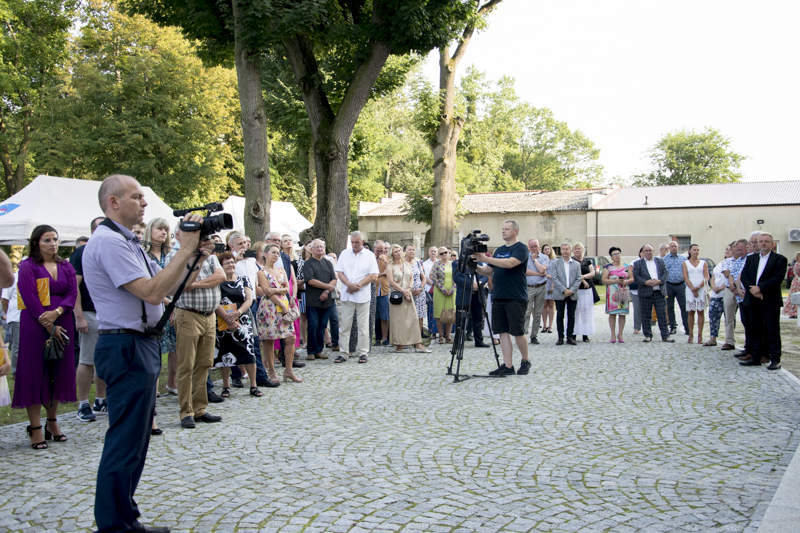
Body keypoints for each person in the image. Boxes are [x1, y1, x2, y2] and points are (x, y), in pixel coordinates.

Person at [84, 174, 212, 533]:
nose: (144, 203)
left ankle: (125, 519)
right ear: (113, 202)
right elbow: (153, 293)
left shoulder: (128, 242)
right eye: (136, 197)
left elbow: (168, 282)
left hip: (138, 343)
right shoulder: (109, 242)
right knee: (125, 440)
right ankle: (113, 526)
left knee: (136, 440)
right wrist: (185, 248)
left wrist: (196, 258)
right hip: (125, 345)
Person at [12, 224, 77, 449]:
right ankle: (35, 427)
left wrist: (58, 312)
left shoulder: (65, 266)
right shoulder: (28, 266)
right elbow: (29, 298)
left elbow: (72, 293)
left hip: (63, 320)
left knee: (57, 372)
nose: (53, 244)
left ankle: (52, 422)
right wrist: (49, 325)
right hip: (34, 324)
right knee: (34, 373)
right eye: (47, 240)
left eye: (55, 239)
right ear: (36, 243)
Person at [166, 227, 225, 428]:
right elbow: (182, 283)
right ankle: (186, 412)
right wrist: (192, 280)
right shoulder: (175, 255)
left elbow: (220, 277)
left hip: (209, 316)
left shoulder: (209, 255)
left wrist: (197, 284)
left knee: (204, 363)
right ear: (178, 236)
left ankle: (200, 408)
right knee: (186, 365)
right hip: (188, 314)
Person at [474, 220, 531, 375]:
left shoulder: (521, 248)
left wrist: (485, 258)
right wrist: (476, 267)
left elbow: (510, 263)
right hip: (498, 295)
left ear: (515, 231)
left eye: (507, 229)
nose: (503, 231)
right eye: (502, 229)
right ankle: (508, 365)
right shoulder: (499, 250)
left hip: (515, 296)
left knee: (518, 331)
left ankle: (525, 360)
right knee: (503, 332)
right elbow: (488, 270)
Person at [71, 216, 108, 423]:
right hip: (89, 312)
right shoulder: (81, 253)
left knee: (103, 359)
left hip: (108, 314)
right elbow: (73, 286)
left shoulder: (109, 250)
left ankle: (100, 400)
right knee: (87, 359)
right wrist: (79, 316)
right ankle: (83, 403)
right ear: (94, 232)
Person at [213, 252, 263, 397]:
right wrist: (228, 318)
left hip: (242, 319)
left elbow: (249, 299)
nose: (231, 265)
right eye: (227, 263)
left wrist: (238, 314)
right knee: (224, 353)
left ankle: (253, 385)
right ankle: (226, 386)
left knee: (249, 352)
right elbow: (215, 302)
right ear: (221, 266)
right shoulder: (217, 281)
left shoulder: (243, 279)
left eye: (233, 262)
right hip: (223, 319)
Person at [228, 232, 273, 388]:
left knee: (254, 342)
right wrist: (235, 259)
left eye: (246, 243)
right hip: (235, 304)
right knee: (233, 341)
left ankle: (260, 375)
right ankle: (235, 376)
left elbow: (254, 285)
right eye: (240, 244)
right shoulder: (229, 259)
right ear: (231, 245)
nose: (244, 246)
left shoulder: (252, 261)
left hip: (252, 302)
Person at [739, 232, 788, 370]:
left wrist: (760, 288)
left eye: (767, 241)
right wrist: (753, 290)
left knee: (772, 330)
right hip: (753, 300)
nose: (764, 243)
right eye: (761, 241)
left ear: (773, 244)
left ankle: (775, 359)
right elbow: (745, 276)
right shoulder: (751, 259)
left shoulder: (780, 259)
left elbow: (778, 278)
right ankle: (756, 357)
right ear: (758, 243)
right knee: (755, 329)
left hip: (770, 299)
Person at [143, 217, 179, 395]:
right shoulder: (143, 253)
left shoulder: (170, 254)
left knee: (174, 347)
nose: (164, 233)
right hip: (154, 304)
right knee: (155, 348)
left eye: (166, 230)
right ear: (150, 231)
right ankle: (153, 386)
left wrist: (173, 305)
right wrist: (168, 303)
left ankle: (172, 383)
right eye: (160, 229)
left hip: (172, 304)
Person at [257, 243, 302, 381]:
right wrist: (280, 300)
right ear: (265, 254)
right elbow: (266, 291)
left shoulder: (281, 270)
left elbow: (286, 287)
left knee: (291, 337)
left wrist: (276, 290)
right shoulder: (261, 272)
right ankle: (271, 371)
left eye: (278, 253)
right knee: (269, 340)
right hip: (269, 308)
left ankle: (288, 370)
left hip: (284, 306)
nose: (276, 255)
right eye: (273, 252)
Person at [334, 231, 379, 363]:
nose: (354, 245)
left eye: (357, 242)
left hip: (362, 294)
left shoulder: (369, 255)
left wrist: (358, 285)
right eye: (352, 242)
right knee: (345, 325)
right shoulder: (344, 253)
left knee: (363, 326)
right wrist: (349, 284)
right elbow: (339, 272)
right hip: (347, 293)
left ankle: (363, 352)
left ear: (362, 242)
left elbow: (373, 275)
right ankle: (343, 352)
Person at [385, 244, 429, 353]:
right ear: (392, 254)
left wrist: (408, 289)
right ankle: (399, 345)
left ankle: (418, 344)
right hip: (397, 296)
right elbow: (391, 282)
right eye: (396, 251)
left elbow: (411, 278)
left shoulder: (406, 264)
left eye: (400, 250)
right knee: (398, 320)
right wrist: (403, 290)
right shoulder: (390, 266)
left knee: (413, 318)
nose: (399, 252)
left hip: (408, 295)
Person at [633, 245, 674, 343]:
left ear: (653, 251)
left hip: (658, 291)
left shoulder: (660, 261)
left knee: (662, 314)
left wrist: (660, 281)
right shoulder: (638, 263)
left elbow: (665, 272)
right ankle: (647, 335)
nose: (648, 252)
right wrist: (645, 282)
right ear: (642, 252)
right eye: (646, 251)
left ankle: (665, 335)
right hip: (645, 292)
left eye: (650, 250)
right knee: (646, 315)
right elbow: (636, 276)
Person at [303, 239, 337, 360]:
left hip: (326, 300)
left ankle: (319, 350)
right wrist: (327, 287)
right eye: (316, 247)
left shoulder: (328, 262)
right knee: (313, 325)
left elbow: (334, 278)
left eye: (321, 247)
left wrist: (326, 291)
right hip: (313, 300)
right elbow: (310, 280)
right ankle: (311, 351)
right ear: (311, 249)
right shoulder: (308, 263)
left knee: (322, 325)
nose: (319, 249)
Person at [452, 253, 489, 348]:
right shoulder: (457, 263)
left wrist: (480, 283)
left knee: (478, 319)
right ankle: (459, 341)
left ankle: (479, 341)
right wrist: (472, 284)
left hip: (477, 295)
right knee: (461, 320)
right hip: (464, 295)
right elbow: (457, 278)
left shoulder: (478, 262)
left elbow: (485, 276)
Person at [551, 242, 582, 346]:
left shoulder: (576, 264)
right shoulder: (556, 263)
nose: (565, 251)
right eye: (563, 249)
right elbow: (554, 278)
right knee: (560, 315)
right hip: (560, 293)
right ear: (561, 251)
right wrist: (564, 290)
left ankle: (570, 336)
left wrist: (571, 290)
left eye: (567, 249)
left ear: (570, 250)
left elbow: (578, 278)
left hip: (572, 293)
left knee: (571, 316)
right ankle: (560, 337)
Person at [721, 239, 747, 352]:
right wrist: (733, 288)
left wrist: (738, 289)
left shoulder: (746, 259)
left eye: (738, 247)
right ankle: (730, 341)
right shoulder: (728, 261)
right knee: (729, 318)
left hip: (742, 291)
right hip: (729, 289)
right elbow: (727, 274)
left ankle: (748, 344)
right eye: (734, 247)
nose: (736, 249)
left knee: (746, 318)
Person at [705, 245, 732, 347]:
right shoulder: (720, 264)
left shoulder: (733, 263)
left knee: (728, 318)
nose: (728, 251)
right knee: (713, 316)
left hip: (726, 293)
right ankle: (713, 338)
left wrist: (721, 287)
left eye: (730, 249)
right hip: (716, 294)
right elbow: (713, 277)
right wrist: (714, 286)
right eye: (726, 249)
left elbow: (730, 278)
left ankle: (728, 340)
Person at [602, 247, 630, 343]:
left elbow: (632, 278)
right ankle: (613, 334)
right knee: (613, 314)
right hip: (612, 293)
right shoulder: (608, 267)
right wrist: (616, 281)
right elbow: (604, 280)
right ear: (611, 257)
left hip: (623, 292)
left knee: (622, 314)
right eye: (615, 254)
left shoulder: (627, 266)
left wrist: (627, 281)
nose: (617, 255)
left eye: (618, 253)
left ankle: (620, 333)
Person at [523, 238, 549, 345]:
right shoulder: (525, 257)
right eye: (532, 247)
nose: (534, 249)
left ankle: (534, 335)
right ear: (529, 247)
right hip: (529, 287)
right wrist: (538, 273)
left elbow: (543, 269)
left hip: (541, 287)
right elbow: (525, 271)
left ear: (539, 245)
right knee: (527, 312)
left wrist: (535, 260)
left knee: (538, 313)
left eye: (536, 246)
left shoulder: (544, 257)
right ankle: (523, 334)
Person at [683, 244, 709, 344]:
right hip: (690, 289)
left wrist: (698, 287)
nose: (696, 252)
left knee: (700, 311)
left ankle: (700, 335)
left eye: (698, 250)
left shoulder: (703, 263)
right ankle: (690, 334)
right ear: (689, 251)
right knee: (690, 312)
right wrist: (692, 288)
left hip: (701, 288)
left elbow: (706, 277)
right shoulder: (686, 263)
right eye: (694, 250)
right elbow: (685, 277)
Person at [430, 246, 456, 344]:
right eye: (441, 253)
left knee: (450, 313)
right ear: (438, 255)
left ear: (449, 253)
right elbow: (434, 278)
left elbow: (457, 277)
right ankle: (440, 335)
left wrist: (452, 289)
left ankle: (448, 335)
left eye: (445, 252)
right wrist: (443, 290)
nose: (444, 254)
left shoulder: (454, 264)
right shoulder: (437, 264)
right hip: (440, 291)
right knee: (439, 314)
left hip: (452, 291)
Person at [571, 242, 596, 342]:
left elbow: (593, 272)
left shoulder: (587, 261)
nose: (577, 250)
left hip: (587, 290)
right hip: (577, 289)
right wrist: (582, 280)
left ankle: (585, 334)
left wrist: (584, 277)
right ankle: (574, 333)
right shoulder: (572, 261)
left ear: (583, 250)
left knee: (586, 312)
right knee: (576, 312)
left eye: (579, 248)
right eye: (575, 249)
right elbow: (573, 273)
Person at [664, 241, 689, 335]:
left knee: (683, 306)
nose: (674, 248)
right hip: (669, 285)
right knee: (670, 307)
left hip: (680, 285)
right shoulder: (665, 259)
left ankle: (687, 327)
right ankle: (673, 326)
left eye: (675, 246)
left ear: (678, 248)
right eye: (672, 246)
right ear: (669, 248)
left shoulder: (683, 259)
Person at [404, 244, 428, 338]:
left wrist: (421, 288)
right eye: (410, 249)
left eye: (413, 250)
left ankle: (418, 338)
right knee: (408, 317)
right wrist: (409, 290)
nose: (412, 251)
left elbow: (424, 278)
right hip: (407, 293)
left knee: (420, 316)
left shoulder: (418, 263)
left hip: (419, 293)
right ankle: (408, 338)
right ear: (405, 251)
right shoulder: (402, 263)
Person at [1, 268, 20, 376]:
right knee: (16, 345)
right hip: (16, 317)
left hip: (31, 317)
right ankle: (15, 371)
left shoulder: (33, 276)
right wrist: (9, 314)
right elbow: (4, 300)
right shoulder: (12, 278)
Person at [373, 240, 391, 346]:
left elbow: (391, 270)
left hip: (384, 290)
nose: (380, 252)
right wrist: (381, 274)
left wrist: (384, 260)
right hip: (373, 290)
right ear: (374, 248)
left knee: (385, 315)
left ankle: (385, 338)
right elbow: (372, 274)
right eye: (378, 250)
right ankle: (377, 338)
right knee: (376, 316)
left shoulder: (386, 258)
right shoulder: (370, 258)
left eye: (382, 250)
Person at [422, 246, 438, 339]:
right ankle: (432, 331)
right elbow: (424, 276)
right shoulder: (425, 264)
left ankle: (441, 331)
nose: (433, 253)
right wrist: (432, 283)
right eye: (431, 251)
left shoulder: (439, 263)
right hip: (429, 290)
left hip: (439, 290)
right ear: (428, 253)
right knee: (431, 311)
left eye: (435, 251)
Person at [628, 247, 645, 334]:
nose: (646, 253)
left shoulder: (651, 262)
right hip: (636, 289)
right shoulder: (634, 262)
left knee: (647, 309)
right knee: (637, 309)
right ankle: (637, 327)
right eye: (644, 251)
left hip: (647, 289)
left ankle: (647, 327)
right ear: (640, 253)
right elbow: (630, 273)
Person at [541, 244, 556, 333]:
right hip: (543, 284)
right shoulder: (541, 260)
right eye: (545, 249)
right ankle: (544, 325)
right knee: (544, 305)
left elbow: (556, 274)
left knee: (551, 305)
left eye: (548, 249)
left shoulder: (555, 261)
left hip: (552, 284)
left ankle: (550, 325)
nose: (547, 250)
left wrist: (553, 285)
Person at [781, 251, 800, 319]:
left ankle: (796, 312)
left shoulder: (797, 264)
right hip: (797, 282)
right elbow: (796, 273)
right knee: (795, 297)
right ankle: (792, 312)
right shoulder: (797, 264)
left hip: (797, 281)